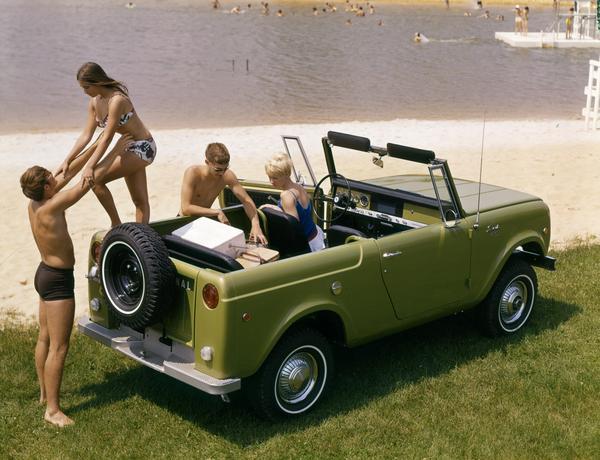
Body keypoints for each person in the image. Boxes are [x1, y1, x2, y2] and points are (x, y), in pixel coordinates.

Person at [19, 136, 121, 427]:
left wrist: (101, 139)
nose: (57, 177)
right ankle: (53, 410)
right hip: (58, 282)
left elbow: (69, 172)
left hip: (44, 274)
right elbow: (86, 182)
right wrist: (114, 150)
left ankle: (43, 394)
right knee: (60, 346)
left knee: (44, 337)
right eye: (52, 178)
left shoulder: (36, 204)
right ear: (47, 188)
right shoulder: (54, 205)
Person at [57, 62, 156, 227]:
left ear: (97, 83)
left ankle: (116, 224)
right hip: (126, 146)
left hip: (143, 147)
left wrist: (90, 166)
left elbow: (107, 137)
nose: (84, 92)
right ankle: (142, 235)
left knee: (95, 179)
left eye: (86, 87)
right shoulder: (95, 102)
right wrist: (67, 159)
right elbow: (86, 135)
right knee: (139, 199)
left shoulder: (116, 100)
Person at [179, 142, 267, 244]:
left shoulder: (227, 175)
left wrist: (255, 225)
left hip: (204, 221)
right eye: (218, 169)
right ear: (207, 162)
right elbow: (186, 208)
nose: (221, 173)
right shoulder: (193, 173)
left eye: (225, 169)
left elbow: (246, 200)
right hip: (183, 223)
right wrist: (217, 212)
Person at [261, 153, 325, 252]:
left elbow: (293, 227)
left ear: (286, 175)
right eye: (269, 177)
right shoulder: (299, 187)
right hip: (316, 236)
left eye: (275, 178)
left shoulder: (286, 195)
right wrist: (275, 208)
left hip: (308, 245)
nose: (271, 181)